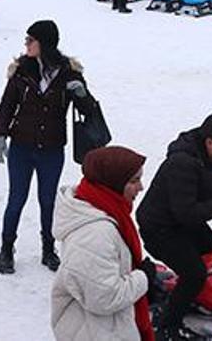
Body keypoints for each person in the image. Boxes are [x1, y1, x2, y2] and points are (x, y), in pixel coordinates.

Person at [136, 114, 212, 340]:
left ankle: (192, 294)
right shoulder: (182, 163)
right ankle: (166, 326)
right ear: (210, 143)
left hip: (181, 221)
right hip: (158, 228)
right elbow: (186, 212)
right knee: (194, 272)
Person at [0, 20, 100, 274]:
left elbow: (88, 111)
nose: (26, 44)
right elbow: (7, 104)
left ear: (45, 43)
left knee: (48, 201)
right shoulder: (21, 71)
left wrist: (82, 94)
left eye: (31, 40)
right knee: (16, 200)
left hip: (51, 149)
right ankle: (7, 249)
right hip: (21, 146)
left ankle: (48, 248)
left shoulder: (68, 73)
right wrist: (0, 135)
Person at [50, 146, 155, 341]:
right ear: (113, 184)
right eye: (134, 181)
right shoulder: (94, 234)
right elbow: (104, 298)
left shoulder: (107, 212)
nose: (141, 187)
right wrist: (143, 278)